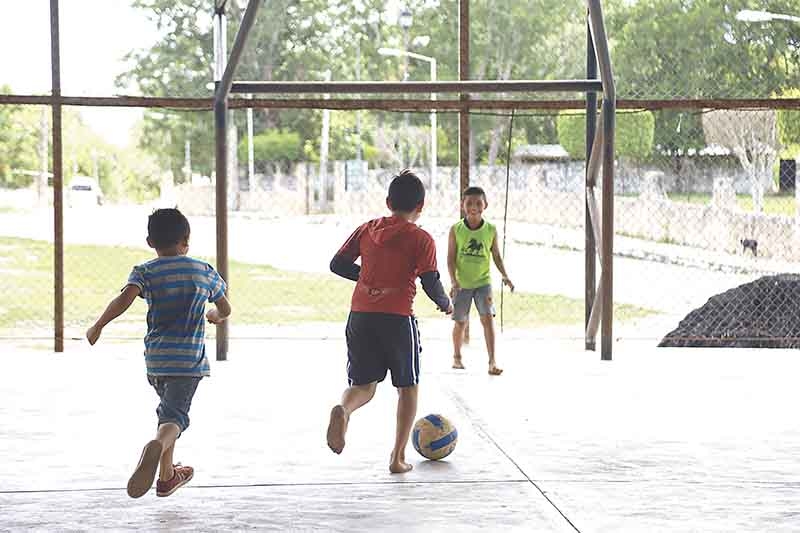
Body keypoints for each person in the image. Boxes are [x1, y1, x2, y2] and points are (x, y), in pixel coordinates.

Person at [86, 208, 231, 498]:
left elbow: (123, 299)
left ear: (150, 241)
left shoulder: (145, 271)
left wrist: (98, 325)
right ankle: (156, 446)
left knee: (167, 412)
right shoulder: (202, 271)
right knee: (173, 420)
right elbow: (225, 308)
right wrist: (214, 315)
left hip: (156, 359)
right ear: (186, 240)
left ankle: (166, 477)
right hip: (188, 362)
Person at [326, 169, 452, 474]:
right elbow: (430, 280)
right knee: (407, 387)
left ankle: (344, 410)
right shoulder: (421, 238)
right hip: (397, 319)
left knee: (364, 385)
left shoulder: (367, 229)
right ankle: (396, 458)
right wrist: (445, 302)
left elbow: (337, 264)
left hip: (361, 315)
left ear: (387, 201)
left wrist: (368, 277)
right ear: (421, 206)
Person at [448, 186, 514, 375]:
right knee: (460, 321)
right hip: (462, 284)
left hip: (483, 283)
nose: (473, 207)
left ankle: (492, 361)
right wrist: (453, 281)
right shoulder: (456, 230)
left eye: (478, 203)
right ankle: (457, 357)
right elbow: (450, 258)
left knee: (487, 319)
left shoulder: (490, 230)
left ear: (485, 205)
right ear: (463, 205)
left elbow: (496, 256)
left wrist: (505, 275)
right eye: (469, 203)